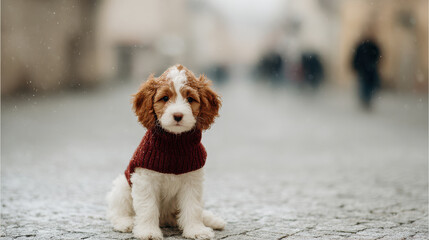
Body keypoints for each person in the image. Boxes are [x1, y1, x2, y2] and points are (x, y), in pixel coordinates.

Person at [352, 39, 381, 109]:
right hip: (365, 70)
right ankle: (365, 101)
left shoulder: (371, 46)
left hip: (369, 70)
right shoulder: (366, 46)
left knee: (368, 86)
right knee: (365, 86)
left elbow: (378, 56)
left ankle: (366, 101)